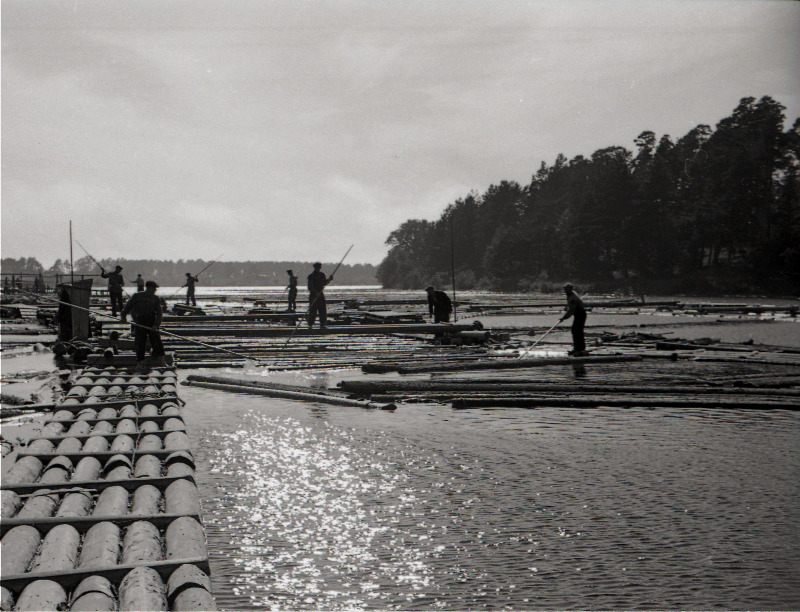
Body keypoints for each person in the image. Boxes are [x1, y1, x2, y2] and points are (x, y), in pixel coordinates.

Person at [121, 280, 165, 370]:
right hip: (140, 321)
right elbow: (127, 307)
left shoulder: (156, 298)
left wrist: (156, 325)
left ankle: (161, 361)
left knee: (157, 341)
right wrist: (123, 316)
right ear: (148, 288)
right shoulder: (137, 296)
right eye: (154, 288)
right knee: (140, 342)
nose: (155, 290)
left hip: (152, 322)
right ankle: (140, 361)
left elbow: (160, 313)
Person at [559, 282, 587, 356]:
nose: (565, 291)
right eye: (565, 289)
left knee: (576, 330)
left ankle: (579, 349)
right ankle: (578, 348)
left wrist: (564, 318)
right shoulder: (571, 294)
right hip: (578, 314)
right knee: (576, 330)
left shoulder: (572, 297)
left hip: (580, 314)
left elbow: (571, 310)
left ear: (570, 289)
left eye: (566, 289)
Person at [307, 262, 332, 330]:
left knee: (322, 310)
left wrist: (329, 280)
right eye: (318, 267)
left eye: (319, 267)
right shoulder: (311, 276)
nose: (318, 268)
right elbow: (310, 287)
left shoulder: (322, 275)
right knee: (313, 310)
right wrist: (315, 292)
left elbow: (324, 283)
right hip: (313, 295)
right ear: (315, 267)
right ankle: (310, 324)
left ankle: (322, 324)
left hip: (320, 294)